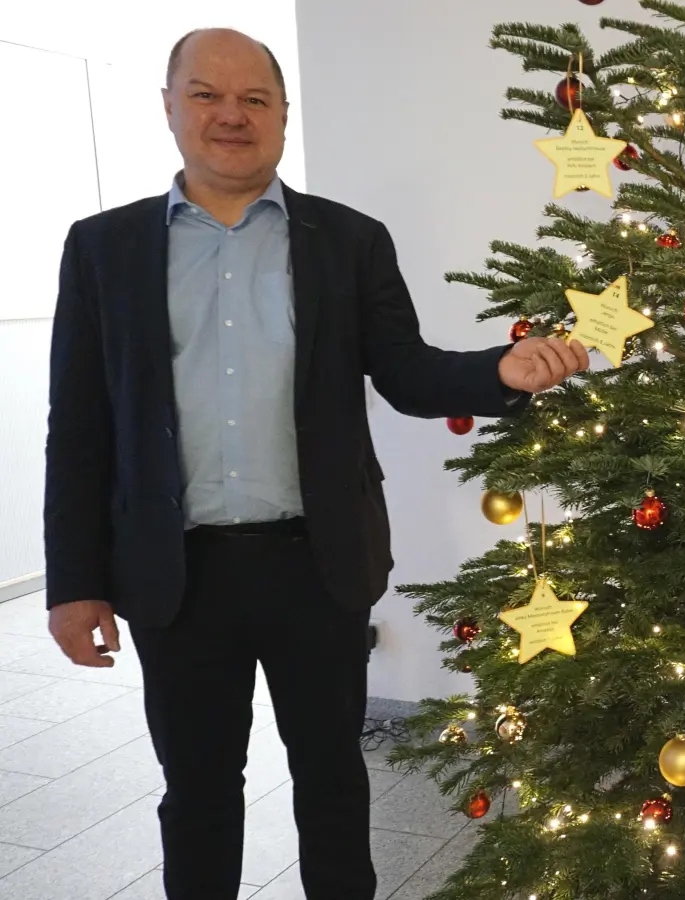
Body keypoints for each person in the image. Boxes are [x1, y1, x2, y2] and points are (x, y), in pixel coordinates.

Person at [42, 28, 588, 900]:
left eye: (255, 99)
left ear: (283, 115)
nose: (231, 115)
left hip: (317, 564)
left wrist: (498, 372)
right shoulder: (103, 248)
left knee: (332, 780)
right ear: (170, 107)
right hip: (174, 575)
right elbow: (78, 428)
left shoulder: (348, 240)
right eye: (207, 95)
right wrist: (75, 584)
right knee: (197, 793)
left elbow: (407, 372)